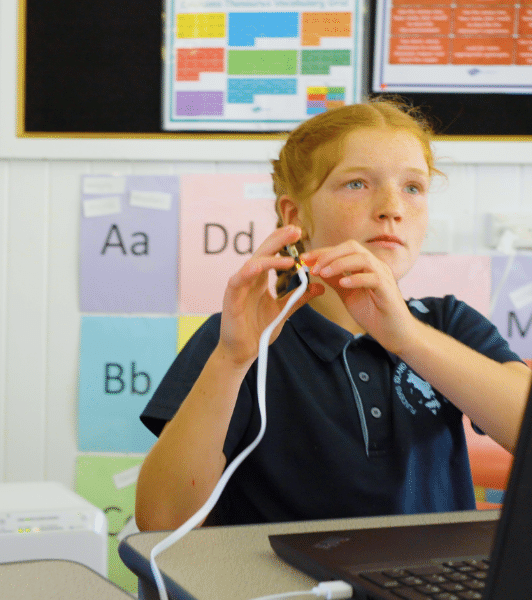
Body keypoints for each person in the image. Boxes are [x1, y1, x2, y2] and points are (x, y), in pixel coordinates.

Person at [135, 99, 532, 532]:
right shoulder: (240, 337)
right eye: (357, 184)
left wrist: (408, 338)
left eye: (413, 187)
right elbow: (162, 522)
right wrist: (231, 362)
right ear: (295, 216)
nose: (392, 207)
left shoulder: (448, 323)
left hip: (432, 572)